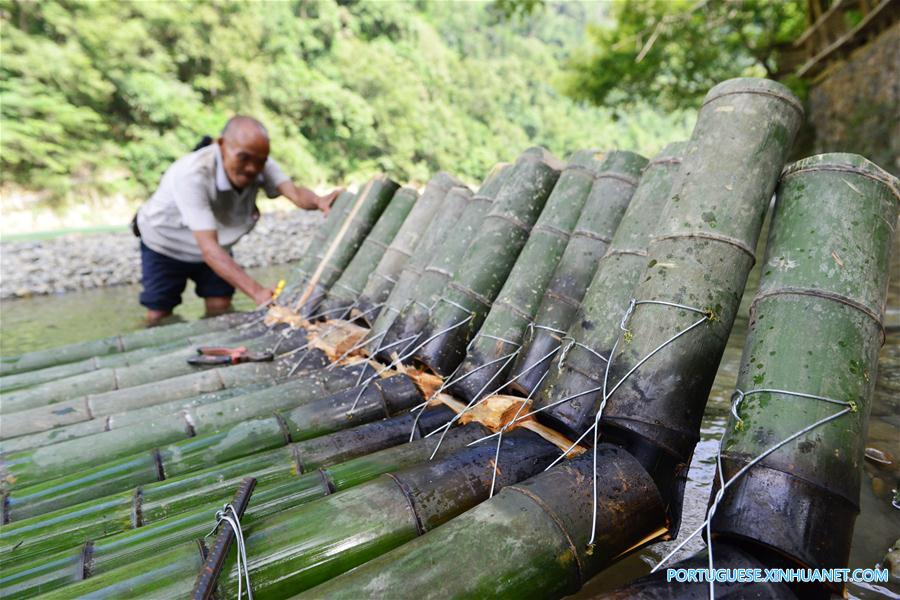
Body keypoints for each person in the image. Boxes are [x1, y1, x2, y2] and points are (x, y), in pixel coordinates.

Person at [135, 115, 340, 326]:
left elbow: (295, 194)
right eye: (244, 158)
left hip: (216, 245)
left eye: (259, 161)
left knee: (220, 304)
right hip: (166, 244)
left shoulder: (262, 164)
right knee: (159, 312)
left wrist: (318, 201)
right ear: (221, 144)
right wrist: (259, 293)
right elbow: (209, 250)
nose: (252, 168)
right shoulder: (193, 174)